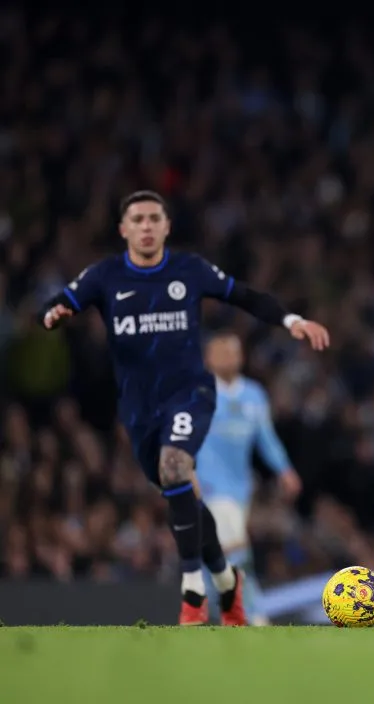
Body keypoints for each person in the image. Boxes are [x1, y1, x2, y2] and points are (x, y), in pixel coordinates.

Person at [39, 190, 329, 626]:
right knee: (184, 497)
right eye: (137, 219)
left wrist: (292, 321)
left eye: (155, 217)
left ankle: (193, 588)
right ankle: (227, 581)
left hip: (191, 393)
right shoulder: (105, 276)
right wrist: (54, 314)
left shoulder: (188, 269)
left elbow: (245, 296)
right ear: (124, 229)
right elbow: (57, 301)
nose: (147, 225)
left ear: (167, 226)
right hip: (139, 409)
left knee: (176, 468)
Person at [196, 331, 302, 626]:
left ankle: (219, 613)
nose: (230, 357)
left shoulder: (254, 394)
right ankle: (253, 616)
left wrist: (285, 469)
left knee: (219, 555)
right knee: (236, 547)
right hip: (208, 486)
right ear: (209, 358)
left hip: (241, 489)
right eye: (222, 352)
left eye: (234, 351)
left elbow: (266, 438)